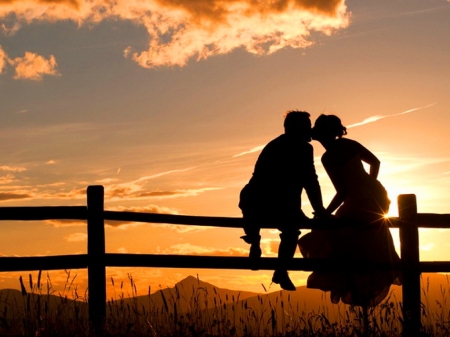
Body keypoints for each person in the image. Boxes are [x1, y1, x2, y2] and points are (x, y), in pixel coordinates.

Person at [298, 114, 401, 306]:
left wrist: (324, 212)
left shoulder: (328, 157)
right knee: (368, 236)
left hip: (358, 200)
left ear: (322, 134)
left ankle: (351, 278)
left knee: (337, 234)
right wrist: (370, 183)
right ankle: (370, 274)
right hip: (377, 195)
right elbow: (375, 163)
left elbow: (342, 191)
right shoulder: (350, 144)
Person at [239, 110, 327, 291]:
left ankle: (260, 249)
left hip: (261, 200)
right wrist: (318, 210)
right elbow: (308, 181)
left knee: (290, 229)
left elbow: (305, 181)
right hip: (270, 201)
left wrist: (317, 209)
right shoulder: (297, 148)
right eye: (307, 126)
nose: (310, 130)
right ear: (298, 128)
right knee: (291, 230)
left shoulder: (280, 145)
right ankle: (275, 264)